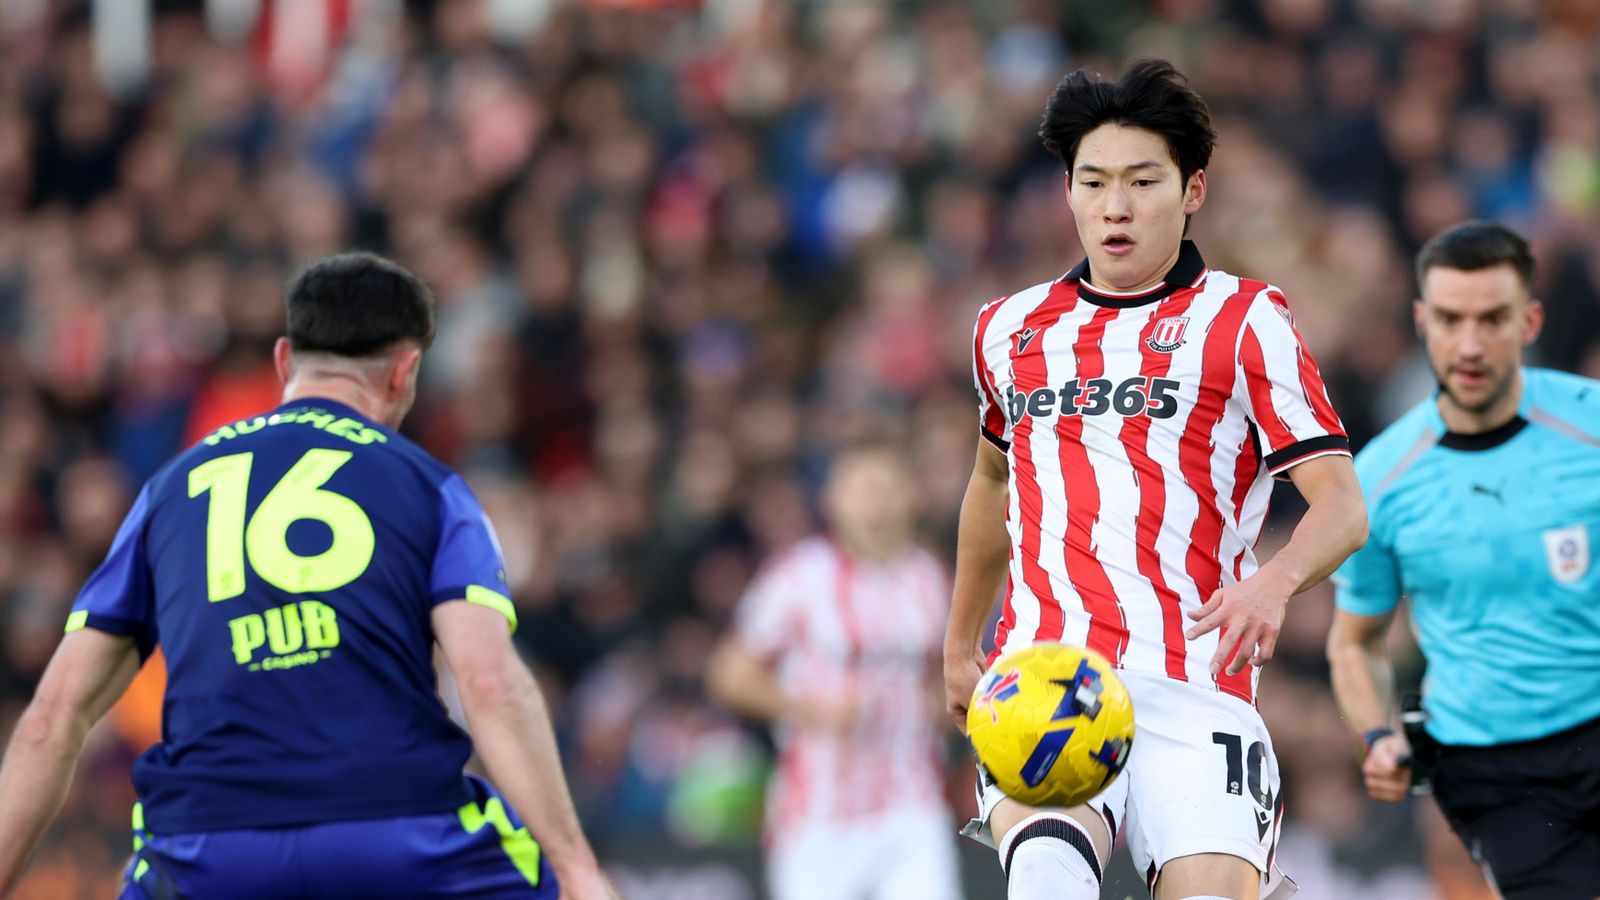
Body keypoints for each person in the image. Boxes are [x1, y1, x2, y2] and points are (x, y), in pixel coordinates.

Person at [0, 253, 613, 899]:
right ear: (406, 372)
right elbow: (490, 682)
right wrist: (579, 870)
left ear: (285, 360)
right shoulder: (433, 489)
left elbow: (52, 718)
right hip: (399, 836)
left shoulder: (168, 492)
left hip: (205, 848)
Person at [942, 59, 1369, 900]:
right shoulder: (1008, 328)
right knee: (1048, 882)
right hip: (1049, 675)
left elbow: (1343, 506)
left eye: (1143, 180)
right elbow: (993, 482)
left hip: (1196, 685)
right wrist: (960, 644)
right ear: (1066, 191)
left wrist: (1273, 584)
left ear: (1193, 189)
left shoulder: (1246, 320)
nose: (1115, 205)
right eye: (1093, 181)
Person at [1328, 221, 1600, 899]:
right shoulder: (1381, 479)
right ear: (1422, 320)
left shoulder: (1591, 426)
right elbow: (1354, 642)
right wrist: (1375, 736)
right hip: (1493, 770)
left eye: (1492, 319)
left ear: (1530, 320)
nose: (1470, 345)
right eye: (1450, 319)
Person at [706, 444, 961, 900]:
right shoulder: (798, 575)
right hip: (817, 816)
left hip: (912, 807)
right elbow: (728, 674)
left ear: (912, 496)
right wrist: (808, 708)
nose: (874, 503)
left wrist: (943, 709)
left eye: (884, 488)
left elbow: (946, 681)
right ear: (832, 501)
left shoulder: (931, 580)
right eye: (860, 490)